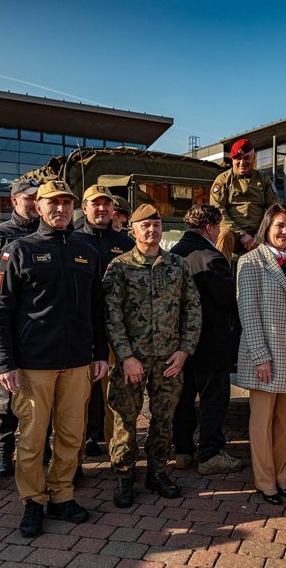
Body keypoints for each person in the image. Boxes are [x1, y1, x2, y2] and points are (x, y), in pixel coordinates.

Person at [0, 179, 109, 538]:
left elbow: (96, 308)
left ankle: (61, 494)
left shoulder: (85, 250)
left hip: (76, 363)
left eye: (66, 203)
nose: (60, 209)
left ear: (73, 208)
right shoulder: (17, 250)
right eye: (52, 203)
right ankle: (32, 501)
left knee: (72, 435)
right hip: (32, 365)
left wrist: (100, 353)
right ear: (38, 207)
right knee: (32, 437)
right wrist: (5, 362)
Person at [104, 204, 202, 508]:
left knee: (163, 419)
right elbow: (111, 314)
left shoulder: (178, 265)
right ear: (133, 230)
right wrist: (125, 357)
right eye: (144, 225)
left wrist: (185, 350)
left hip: (168, 359)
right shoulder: (119, 267)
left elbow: (193, 308)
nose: (152, 229)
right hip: (132, 359)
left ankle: (157, 471)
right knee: (125, 419)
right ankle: (124, 474)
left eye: (156, 224)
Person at [236, 203, 286, 505]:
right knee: (262, 420)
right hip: (267, 350)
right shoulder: (251, 262)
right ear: (267, 226)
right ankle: (265, 480)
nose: (285, 231)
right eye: (279, 225)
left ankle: (282, 476)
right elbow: (248, 312)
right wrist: (260, 356)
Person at [170, 204, 243, 475]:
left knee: (184, 397)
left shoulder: (174, 253)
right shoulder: (210, 257)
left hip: (181, 345)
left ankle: (183, 451)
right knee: (213, 399)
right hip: (211, 343)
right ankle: (210, 453)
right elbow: (227, 298)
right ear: (211, 227)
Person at [71, 185, 135, 462]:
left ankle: (116, 454)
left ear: (113, 209)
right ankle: (74, 455)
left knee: (115, 398)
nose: (101, 209)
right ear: (84, 208)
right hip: (80, 330)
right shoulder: (71, 241)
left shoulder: (126, 245)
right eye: (95, 204)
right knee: (77, 399)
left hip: (115, 332)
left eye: (106, 204)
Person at [0, 178, 40, 477]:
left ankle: (40, 449)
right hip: (8, 326)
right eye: (27, 198)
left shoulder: (50, 233)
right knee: (8, 392)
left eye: (36, 198)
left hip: (39, 328)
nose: (32, 203)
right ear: (14, 200)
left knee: (42, 395)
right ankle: (5, 450)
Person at [209, 138, 280, 262]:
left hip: (259, 232)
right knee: (223, 236)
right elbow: (218, 211)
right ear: (232, 159)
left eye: (246, 158)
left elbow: (274, 209)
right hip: (232, 233)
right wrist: (241, 235)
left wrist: (260, 235)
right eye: (238, 158)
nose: (242, 162)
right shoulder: (223, 180)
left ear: (254, 158)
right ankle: (220, 277)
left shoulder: (264, 180)